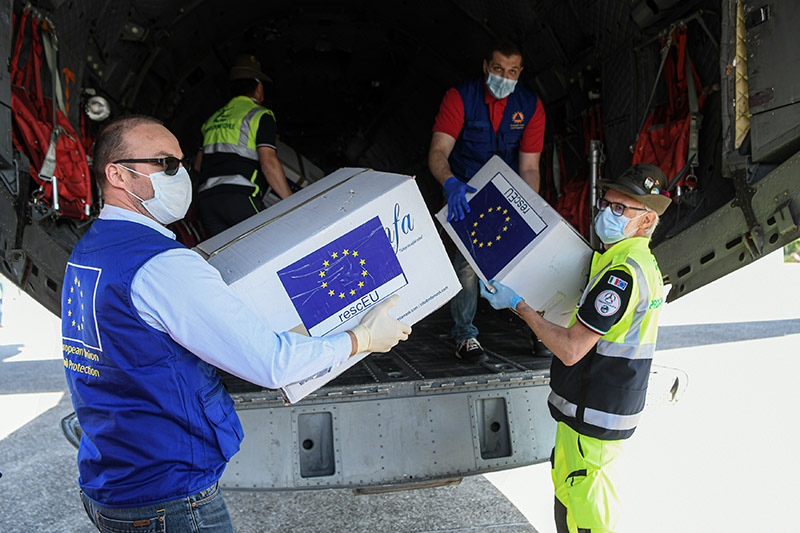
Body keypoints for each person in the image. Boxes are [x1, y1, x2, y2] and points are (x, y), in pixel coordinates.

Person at [62, 115, 411, 532]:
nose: (181, 175)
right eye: (166, 164)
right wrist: (362, 338)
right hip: (167, 495)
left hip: (116, 479)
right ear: (117, 174)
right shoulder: (162, 266)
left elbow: (139, 349)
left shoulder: (90, 252)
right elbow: (271, 365)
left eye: (182, 163)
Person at [479, 163, 671, 533]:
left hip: (595, 417)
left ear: (646, 221)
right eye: (606, 204)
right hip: (587, 413)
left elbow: (570, 349)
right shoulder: (632, 263)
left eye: (619, 209)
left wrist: (519, 305)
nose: (606, 214)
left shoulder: (622, 275)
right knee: (568, 504)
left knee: (590, 518)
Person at [428, 37, 546, 363]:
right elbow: (438, 151)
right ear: (486, 67)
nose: (503, 77)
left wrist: (527, 207)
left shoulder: (531, 107)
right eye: (497, 68)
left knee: (519, 258)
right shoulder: (460, 98)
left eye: (511, 71)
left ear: (520, 72)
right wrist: (449, 183)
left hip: (508, 192)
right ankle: (465, 335)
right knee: (468, 262)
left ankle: (538, 330)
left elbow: (530, 167)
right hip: (463, 191)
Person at [194, 54, 293, 237]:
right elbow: (268, 163)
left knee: (230, 258)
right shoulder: (260, 115)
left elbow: (198, 165)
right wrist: (292, 202)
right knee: (267, 244)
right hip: (239, 196)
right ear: (258, 88)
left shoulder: (212, 119)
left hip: (207, 201)